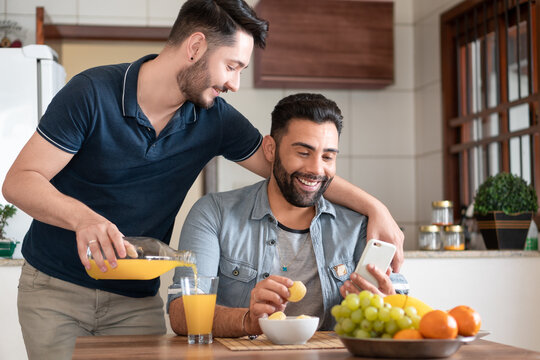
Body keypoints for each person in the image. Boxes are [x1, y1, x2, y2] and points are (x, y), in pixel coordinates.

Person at [1, 1, 402, 358]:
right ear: (194, 47)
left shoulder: (215, 119)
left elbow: (294, 172)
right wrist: (82, 218)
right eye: (232, 66)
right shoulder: (91, 92)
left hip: (136, 301)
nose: (234, 83)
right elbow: (19, 181)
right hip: (54, 290)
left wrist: (375, 208)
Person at [168, 93, 407, 337]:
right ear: (270, 149)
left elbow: (403, 308)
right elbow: (180, 312)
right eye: (303, 153)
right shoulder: (214, 214)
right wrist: (247, 321)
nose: (316, 169)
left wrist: (387, 304)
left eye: (328, 157)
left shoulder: (359, 226)